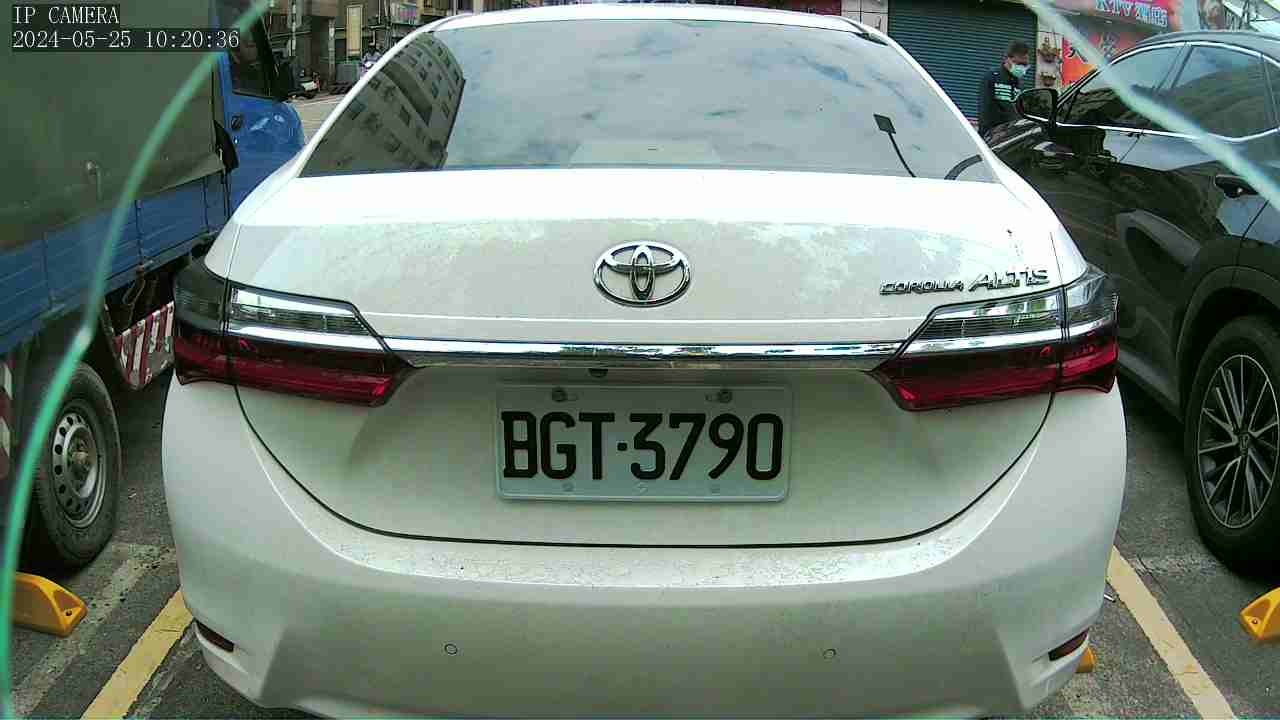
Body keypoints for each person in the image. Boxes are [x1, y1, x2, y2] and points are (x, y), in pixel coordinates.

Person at [978, 41, 1031, 139]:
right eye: (1019, 63)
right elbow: (985, 109)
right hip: (993, 135)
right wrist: (985, 136)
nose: (1022, 67)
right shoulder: (992, 77)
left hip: (1012, 136)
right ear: (1008, 59)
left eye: (1025, 65)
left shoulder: (1020, 84)